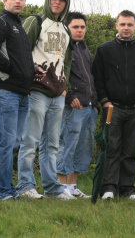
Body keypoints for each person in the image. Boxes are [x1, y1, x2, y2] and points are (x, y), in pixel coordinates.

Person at [16, 0, 75, 200]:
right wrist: (28, 81)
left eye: (61, 0)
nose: (57, 3)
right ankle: (25, 186)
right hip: (37, 91)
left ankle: (52, 188)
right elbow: (21, 52)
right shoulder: (36, 22)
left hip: (57, 94)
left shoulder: (66, 29)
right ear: (47, 0)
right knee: (30, 141)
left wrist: (65, 87)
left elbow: (67, 60)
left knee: (52, 143)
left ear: (66, 3)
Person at [0, 0, 40, 201]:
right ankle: (1, 192)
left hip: (21, 93)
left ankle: (7, 188)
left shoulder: (19, 25)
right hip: (3, 90)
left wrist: (33, 69)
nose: (18, 1)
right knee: (5, 142)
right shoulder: (0, 23)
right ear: (4, 0)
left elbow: (19, 58)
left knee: (13, 142)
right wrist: (14, 71)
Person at [91, 10, 135, 201]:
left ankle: (128, 188)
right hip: (113, 108)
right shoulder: (104, 49)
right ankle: (109, 187)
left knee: (129, 150)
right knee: (111, 148)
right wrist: (105, 102)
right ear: (116, 26)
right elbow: (97, 78)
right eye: (122, 24)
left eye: (130, 24)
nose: (126, 28)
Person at [56, 12, 99, 198]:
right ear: (67, 27)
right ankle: (60, 187)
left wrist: (95, 102)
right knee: (67, 144)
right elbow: (59, 73)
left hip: (89, 106)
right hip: (72, 106)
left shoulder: (83, 48)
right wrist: (69, 96)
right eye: (75, 27)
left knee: (83, 146)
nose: (80, 30)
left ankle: (72, 187)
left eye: (82, 27)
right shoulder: (63, 47)